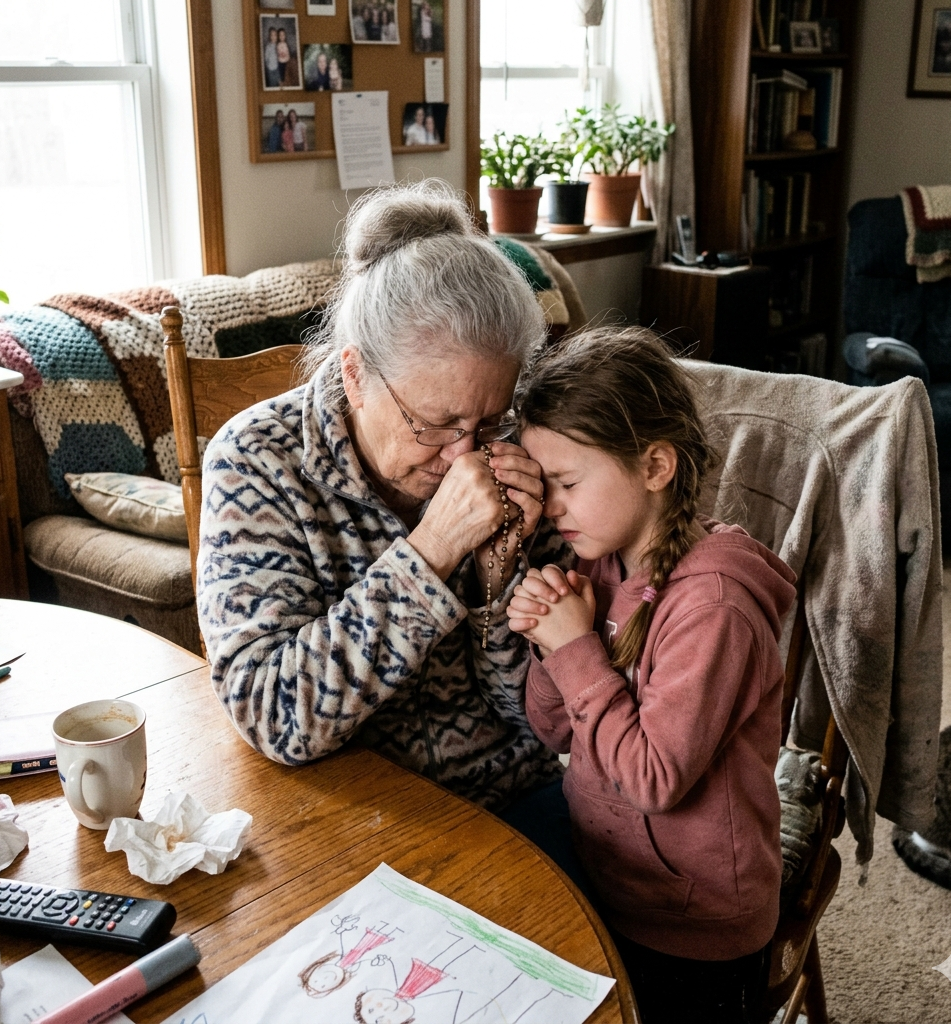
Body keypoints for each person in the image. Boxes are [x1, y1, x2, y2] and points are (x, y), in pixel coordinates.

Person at [197, 180, 566, 818]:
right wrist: (433, 552)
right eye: (435, 422)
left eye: (487, 422)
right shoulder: (257, 462)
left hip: (514, 798)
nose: (464, 456)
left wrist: (498, 582)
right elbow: (272, 714)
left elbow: (541, 721)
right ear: (355, 375)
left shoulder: (519, 451)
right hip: (347, 810)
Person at [506, 327, 796, 1024]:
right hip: (609, 882)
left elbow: (654, 779)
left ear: (655, 466)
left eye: (568, 483)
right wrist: (552, 635)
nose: (551, 507)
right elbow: (547, 728)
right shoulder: (601, 567)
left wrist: (575, 650)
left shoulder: (714, 610)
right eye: (545, 485)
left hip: (698, 929)